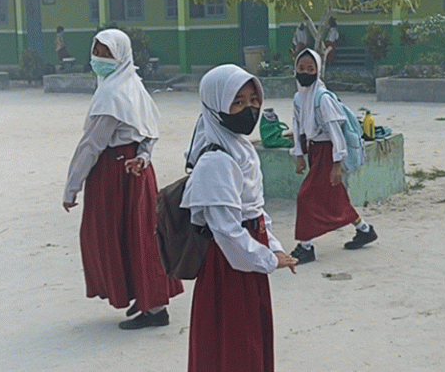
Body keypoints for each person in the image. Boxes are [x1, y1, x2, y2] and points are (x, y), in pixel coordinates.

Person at [62, 29, 183, 330]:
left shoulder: (113, 95)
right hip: (137, 172)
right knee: (138, 235)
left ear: (121, 56)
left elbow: (91, 145)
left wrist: (71, 186)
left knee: (124, 237)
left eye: (106, 53)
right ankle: (145, 298)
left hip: (115, 175)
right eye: (97, 51)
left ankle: (154, 308)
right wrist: (143, 158)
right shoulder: (133, 87)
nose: (99, 58)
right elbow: (150, 135)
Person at [181, 64, 297, 372]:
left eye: (253, 100)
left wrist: (272, 246)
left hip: (248, 259)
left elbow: (255, 210)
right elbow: (228, 234)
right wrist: (268, 259)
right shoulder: (217, 159)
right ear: (216, 105)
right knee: (234, 345)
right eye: (237, 102)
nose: (249, 109)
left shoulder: (239, 148)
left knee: (248, 342)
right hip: (230, 267)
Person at [289, 48, 378, 264]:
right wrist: (299, 155)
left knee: (306, 197)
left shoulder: (323, 98)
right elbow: (298, 127)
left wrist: (337, 163)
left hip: (328, 152)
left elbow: (335, 131)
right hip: (314, 151)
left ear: (318, 71)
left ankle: (305, 246)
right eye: (301, 68)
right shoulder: (299, 98)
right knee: (335, 196)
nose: (305, 72)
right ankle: (364, 230)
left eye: (311, 69)